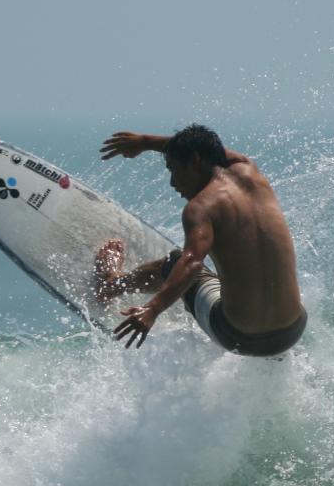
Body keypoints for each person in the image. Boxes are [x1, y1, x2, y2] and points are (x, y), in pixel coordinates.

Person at [95, 124, 306, 356]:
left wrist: (152, 310)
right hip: (293, 330)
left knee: (175, 262)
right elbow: (212, 151)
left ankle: (109, 285)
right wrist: (145, 141)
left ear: (195, 160)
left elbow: (192, 263)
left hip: (238, 337)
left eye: (174, 169)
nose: (173, 183)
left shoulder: (200, 208)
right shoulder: (249, 171)